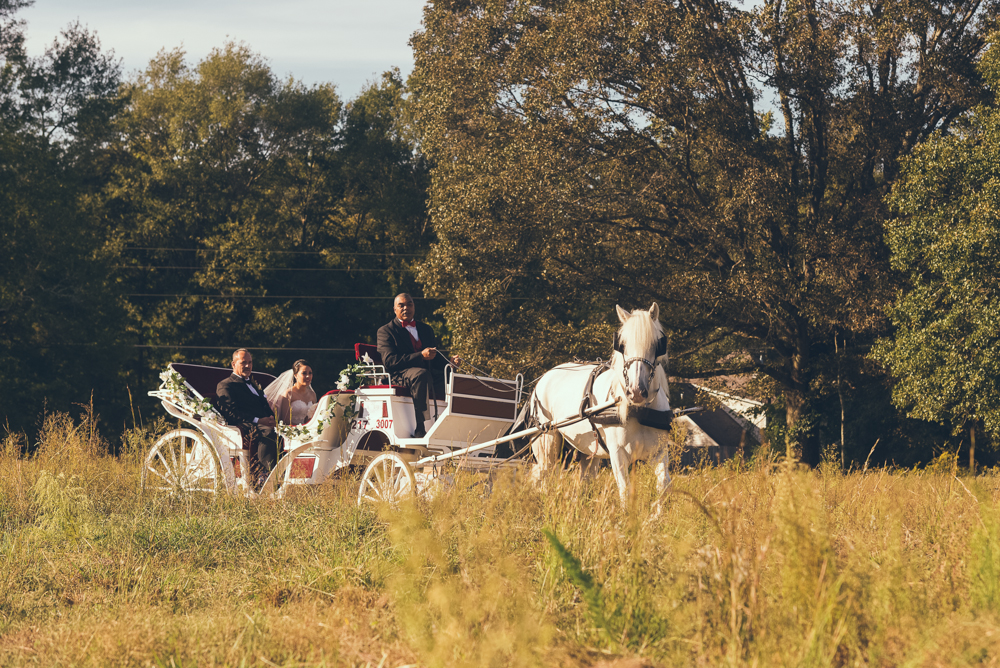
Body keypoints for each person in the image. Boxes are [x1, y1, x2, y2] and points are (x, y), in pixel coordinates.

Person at [377, 293, 461, 437]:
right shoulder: (386, 331)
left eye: (409, 304)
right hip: (399, 375)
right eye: (401, 305)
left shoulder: (426, 329)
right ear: (394, 309)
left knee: (451, 377)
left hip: (424, 374)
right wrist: (420, 356)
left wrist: (450, 362)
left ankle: (451, 425)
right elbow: (390, 361)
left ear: (414, 307)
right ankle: (420, 428)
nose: (406, 308)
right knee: (421, 374)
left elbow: (434, 359)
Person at [216, 348, 278, 489]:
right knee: (267, 433)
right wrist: (258, 420)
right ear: (233, 364)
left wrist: (271, 418)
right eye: (243, 362)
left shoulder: (253, 384)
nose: (248, 366)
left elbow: (263, 405)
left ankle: (280, 474)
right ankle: (263, 476)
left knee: (282, 433)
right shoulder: (226, 385)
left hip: (261, 424)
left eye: (250, 362)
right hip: (242, 425)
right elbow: (230, 413)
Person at [264, 359, 318, 425]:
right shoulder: (288, 394)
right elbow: (286, 421)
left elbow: (311, 418)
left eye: (310, 373)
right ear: (295, 375)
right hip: (292, 431)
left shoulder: (312, 394)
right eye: (304, 373)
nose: (308, 376)